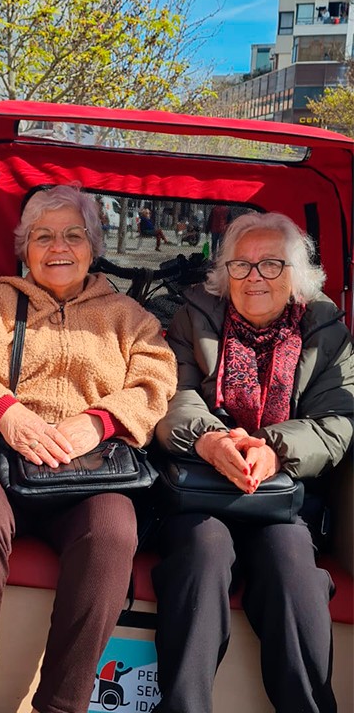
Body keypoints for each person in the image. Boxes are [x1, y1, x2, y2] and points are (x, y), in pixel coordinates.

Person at [0, 185, 177, 713]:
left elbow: (157, 380)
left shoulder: (128, 316)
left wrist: (99, 422)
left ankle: (62, 705)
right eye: (43, 236)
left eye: (73, 235)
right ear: (24, 247)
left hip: (91, 470)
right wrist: (4, 412)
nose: (59, 247)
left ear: (93, 246)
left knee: (113, 532)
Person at [152, 211, 353, 713]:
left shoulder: (328, 332)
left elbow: (337, 421)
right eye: (240, 265)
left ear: (297, 274)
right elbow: (170, 394)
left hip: (282, 500)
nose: (254, 277)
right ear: (225, 273)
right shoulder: (192, 317)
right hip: (200, 492)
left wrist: (272, 448)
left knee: (293, 567)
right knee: (203, 554)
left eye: (271, 264)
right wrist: (210, 440)